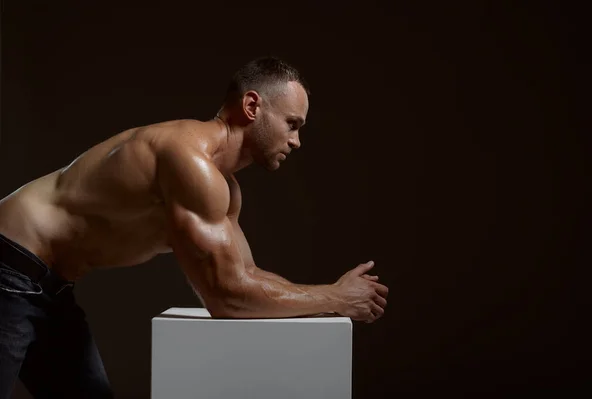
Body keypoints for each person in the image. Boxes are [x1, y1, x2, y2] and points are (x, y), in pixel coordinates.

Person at [0, 56, 389, 397]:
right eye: (292, 123)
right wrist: (337, 299)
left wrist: (335, 297)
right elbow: (227, 298)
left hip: (46, 285)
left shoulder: (224, 190)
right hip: (10, 265)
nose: (297, 140)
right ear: (252, 105)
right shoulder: (189, 162)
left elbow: (246, 277)